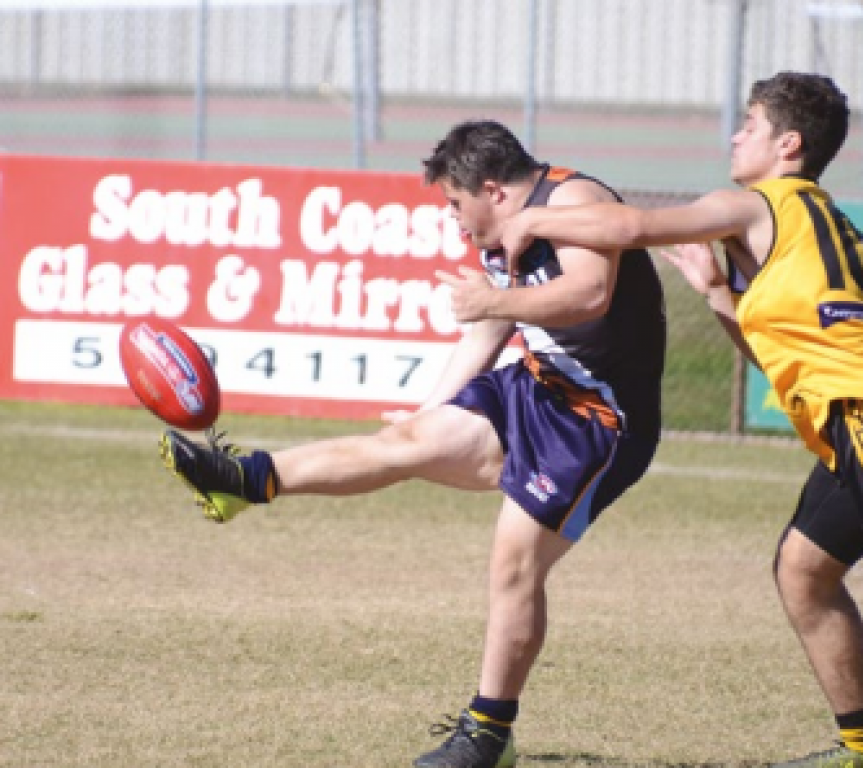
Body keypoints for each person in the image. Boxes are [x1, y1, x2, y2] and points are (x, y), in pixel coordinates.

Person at [495, 71, 863, 768]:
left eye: (749, 124)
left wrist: (532, 218)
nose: (735, 135)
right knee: (804, 572)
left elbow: (629, 227)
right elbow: (772, 349)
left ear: (788, 143)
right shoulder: (819, 218)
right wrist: (717, 292)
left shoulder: (754, 204)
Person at [159, 119, 666, 768]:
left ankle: (487, 734)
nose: (455, 222)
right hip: (534, 388)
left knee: (514, 564)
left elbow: (590, 294)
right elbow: (491, 323)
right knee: (401, 443)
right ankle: (243, 479)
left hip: (598, 421)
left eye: (457, 205)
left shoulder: (574, 203)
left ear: (492, 189)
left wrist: (490, 301)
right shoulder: (499, 229)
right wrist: (432, 409)